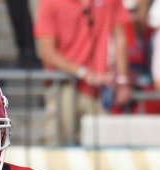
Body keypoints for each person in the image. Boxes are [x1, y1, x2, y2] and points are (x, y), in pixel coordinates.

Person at [34, 0, 133, 143]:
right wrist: (83, 73)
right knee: (60, 148)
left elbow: (120, 36)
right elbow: (46, 52)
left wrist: (123, 81)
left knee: (106, 147)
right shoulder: (50, 2)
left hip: (100, 89)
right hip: (63, 86)